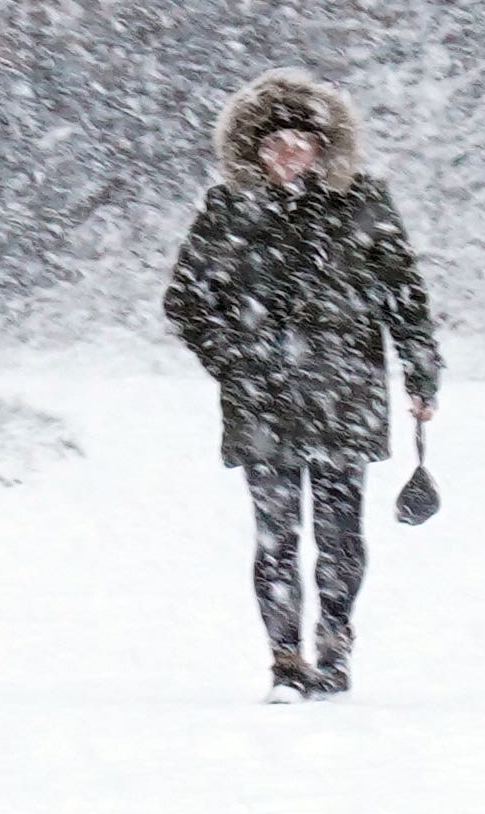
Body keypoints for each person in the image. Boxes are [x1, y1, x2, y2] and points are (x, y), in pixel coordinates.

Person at [158, 71, 442, 700]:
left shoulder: (363, 202)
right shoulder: (229, 209)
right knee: (276, 537)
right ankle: (286, 662)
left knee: (340, 533)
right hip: (263, 402)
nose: (287, 155)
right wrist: (235, 360)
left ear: (322, 147)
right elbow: (185, 300)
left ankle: (335, 648)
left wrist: (422, 374)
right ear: (253, 149)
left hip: (345, 392)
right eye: (273, 143)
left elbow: (405, 297)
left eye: (299, 142)